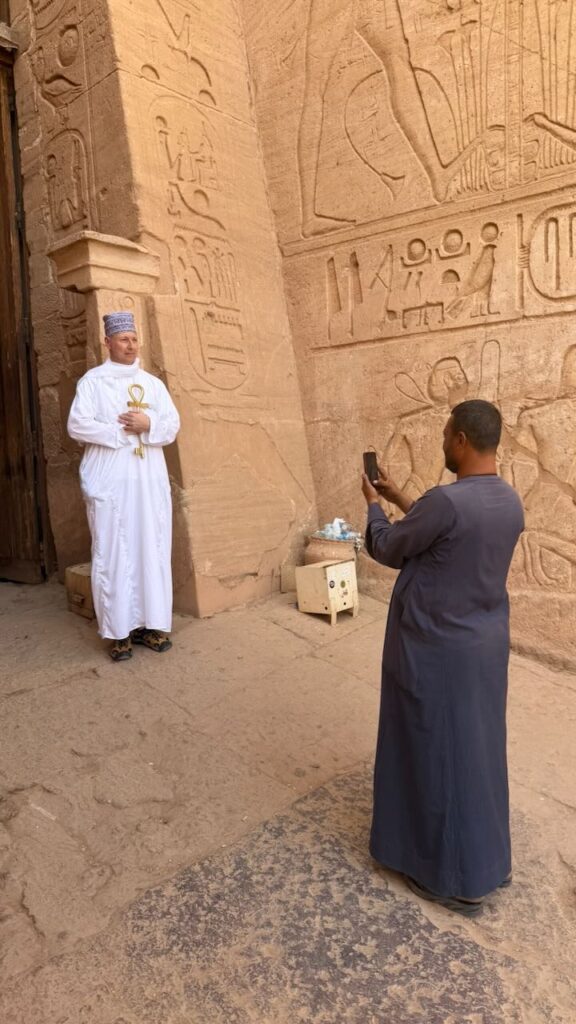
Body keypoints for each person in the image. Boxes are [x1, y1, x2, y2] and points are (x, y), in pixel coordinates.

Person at [361, 400, 524, 916]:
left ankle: (453, 879)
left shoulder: (446, 502)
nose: (443, 441)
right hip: (483, 647)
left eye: (446, 433)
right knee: (477, 754)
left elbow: (390, 547)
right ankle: (487, 863)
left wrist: (373, 506)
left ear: (460, 441)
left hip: (436, 650)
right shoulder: (509, 501)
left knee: (438, 755)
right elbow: (447, 534)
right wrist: (399, 496)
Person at [67, 312, 180, 662]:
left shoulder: (153, 384)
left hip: (148, 482)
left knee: (151, 548)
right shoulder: (93, 382)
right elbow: (77, 424)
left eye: (134, 339)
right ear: (108, 343)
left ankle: (151, 625)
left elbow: (172, 424)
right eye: (123, 340)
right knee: (114, 551)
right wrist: (119, 431)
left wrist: (149, 423)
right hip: (111, 482)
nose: (130, 346)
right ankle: (119, 633)